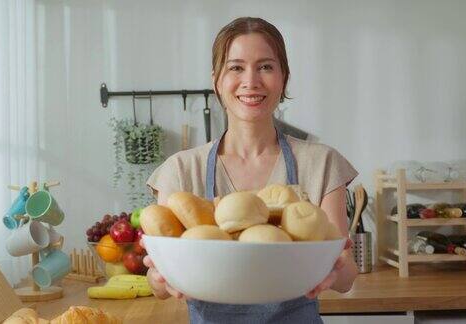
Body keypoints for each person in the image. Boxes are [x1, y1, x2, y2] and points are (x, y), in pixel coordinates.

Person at [143, 17, 359, 324]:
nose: (251, 81)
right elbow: (158, 284)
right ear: (216, 79)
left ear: (284, 78)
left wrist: (336, 269)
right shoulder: (181, 170)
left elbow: (346, 276)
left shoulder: (320, 163)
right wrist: (158, 277)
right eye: (236, 67)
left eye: (266, 67)